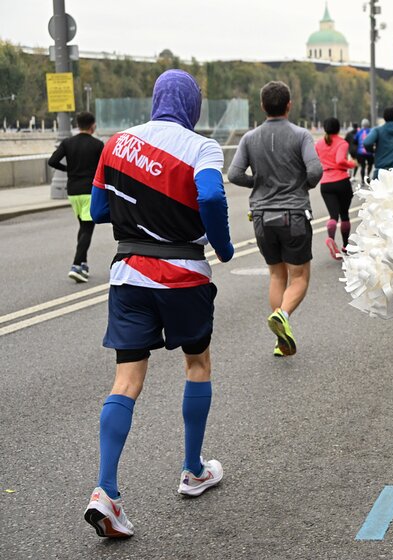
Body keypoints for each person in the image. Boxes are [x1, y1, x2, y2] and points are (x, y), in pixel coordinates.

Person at [84, 69, 234, 538]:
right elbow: (210, 194)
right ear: (192, 105)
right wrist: (223, 247)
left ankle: (106, 491)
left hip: (128, 273)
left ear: (155, 100)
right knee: (198, 364)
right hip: (183, 275)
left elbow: (98, 209)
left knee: (126, 378)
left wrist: (138, 209)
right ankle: (192, 471)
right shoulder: (202, 147)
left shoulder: (117, 143)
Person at [228, 81, 323, 357]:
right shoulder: (301, 135)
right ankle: (282, 315)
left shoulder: (249, 138)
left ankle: (281, 338)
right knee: (300, 276)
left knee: (276, 274)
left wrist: (257, 184)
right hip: (293, 213)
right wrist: (299, 185)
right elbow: (315, 171)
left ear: (262, 106)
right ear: (289, 105)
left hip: (261, 215)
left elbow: (233, 175)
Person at [48, 111, 104, 283]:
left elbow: (52, 161)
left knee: (83, 227)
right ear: (92, 125)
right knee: (87, 229)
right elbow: (105, 167)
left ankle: (83, 265)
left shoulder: (67, 142)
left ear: (78, 125)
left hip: (73, 192)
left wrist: (69, 171)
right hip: (89, 192)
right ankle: (75, 265)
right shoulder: (97, 145)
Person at [314, 117, 356, 260]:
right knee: (344, 215)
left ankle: (330, 238)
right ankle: (345, 245)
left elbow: (315, 161)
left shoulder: (318, 144)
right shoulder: (342, 143)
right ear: (338, 128)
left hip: (326, 183)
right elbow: (340, 161)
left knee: (333, 216)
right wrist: (351, 164)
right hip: (341, 182)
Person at [354, 118, 374, 184]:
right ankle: (368, 175)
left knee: (362, 166)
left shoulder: (359, 132)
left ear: (362, 124)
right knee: (370, 164)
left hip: (360, 152)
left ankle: (362, 180)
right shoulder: (371, 131)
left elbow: (355, 140)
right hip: (369, 152)